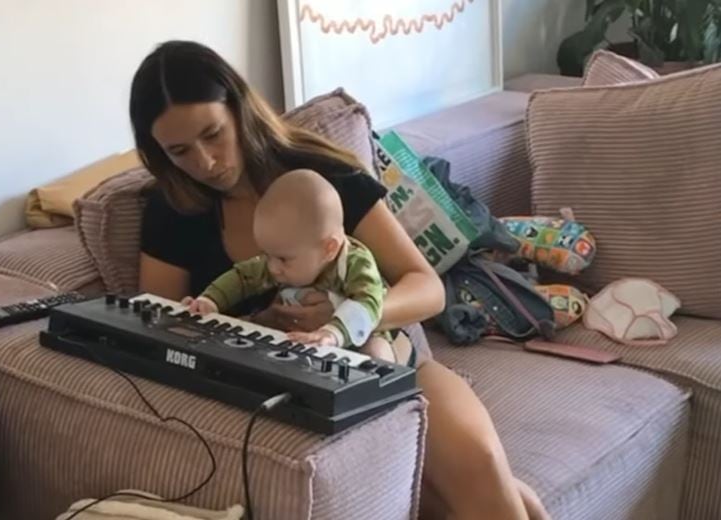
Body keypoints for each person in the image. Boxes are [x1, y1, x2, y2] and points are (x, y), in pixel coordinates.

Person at [130, 40, 550, 520]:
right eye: (179, 151)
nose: (204, 162)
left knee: (482, 464)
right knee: (462, 502)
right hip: (285, 393)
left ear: (240, 109)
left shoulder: (322, 179)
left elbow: (426, 288)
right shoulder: (172, 210)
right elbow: (160, 332)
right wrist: (256, 320)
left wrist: (349, 317)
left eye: (213, 134)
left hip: (387, 362)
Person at [184, 168, 395, 362]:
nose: (273, 267)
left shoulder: (355, 263)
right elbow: (241, 277)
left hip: (358, 333)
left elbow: (368, 301)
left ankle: (397, 399)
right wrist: (210, 300)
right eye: (267, 255)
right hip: (299, 337)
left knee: (376, 353)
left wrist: (332, 333)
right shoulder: (279, 259)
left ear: (329, 249)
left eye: (283, 259)